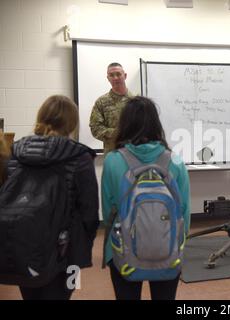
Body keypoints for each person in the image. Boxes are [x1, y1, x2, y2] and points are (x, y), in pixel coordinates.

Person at [6, 95, 99, 300]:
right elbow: (89, 211)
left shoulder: (16, 151)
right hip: (67, 252)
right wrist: (85, 243)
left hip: (23, 245)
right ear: (72, 123)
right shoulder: (80, 156)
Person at [101, 96, 191, 300]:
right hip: (168, 249)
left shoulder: (113, 161)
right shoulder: (175, 161)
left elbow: (108, 212)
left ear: (124, 124)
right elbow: (184, 211)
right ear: (155, 123)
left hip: (123, 249)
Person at [89, 62, 134, 154]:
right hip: (112, 154)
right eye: (111, 75)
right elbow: (95, 128)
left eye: (118, 74)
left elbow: (145, 128)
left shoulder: (136, 101)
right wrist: (117, 133)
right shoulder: (101, 102)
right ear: (108, 78)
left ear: (125, 76)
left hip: (134, 153)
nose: (115, 78)